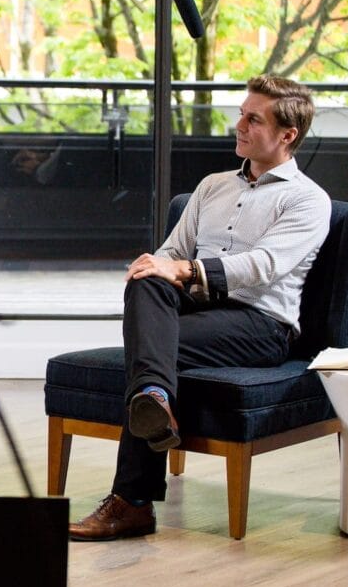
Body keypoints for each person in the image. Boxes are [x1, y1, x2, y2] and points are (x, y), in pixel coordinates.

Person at [69, 75, 331, 541]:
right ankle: (155, 400)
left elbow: (265, 266)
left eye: (254, 118)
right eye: (241, 114)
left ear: (287, 135)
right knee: (148, 280)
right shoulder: (212, 186)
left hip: (259, 325)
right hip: (193, 312)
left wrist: (185, 270)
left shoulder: (307, 200)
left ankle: (132, 500)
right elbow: (171, 250)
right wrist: (160, 265)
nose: (240, 125)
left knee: (152, 345)